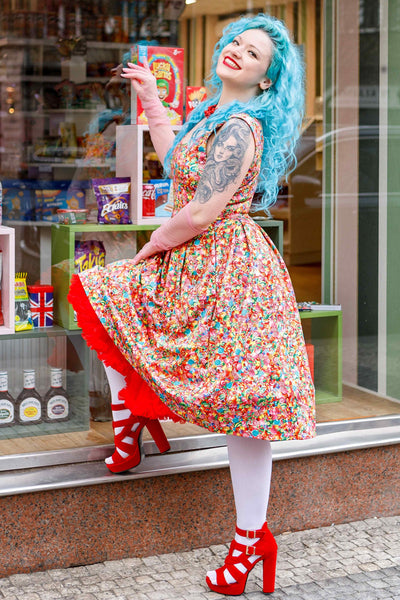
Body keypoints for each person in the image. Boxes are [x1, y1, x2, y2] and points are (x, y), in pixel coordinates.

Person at [67, 12, 315, 596]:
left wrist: (148, 248)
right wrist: (152, 98)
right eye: (236, 43)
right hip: (195, 263)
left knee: (246, 410)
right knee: (104, 296)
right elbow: (176, 158)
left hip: (232, 273)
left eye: (253, 54)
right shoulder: (214, 114)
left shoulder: (242, 128)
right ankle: (132, 417)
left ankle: (251, 539)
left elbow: (202, 211)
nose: (237, 52)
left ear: (264, 82)